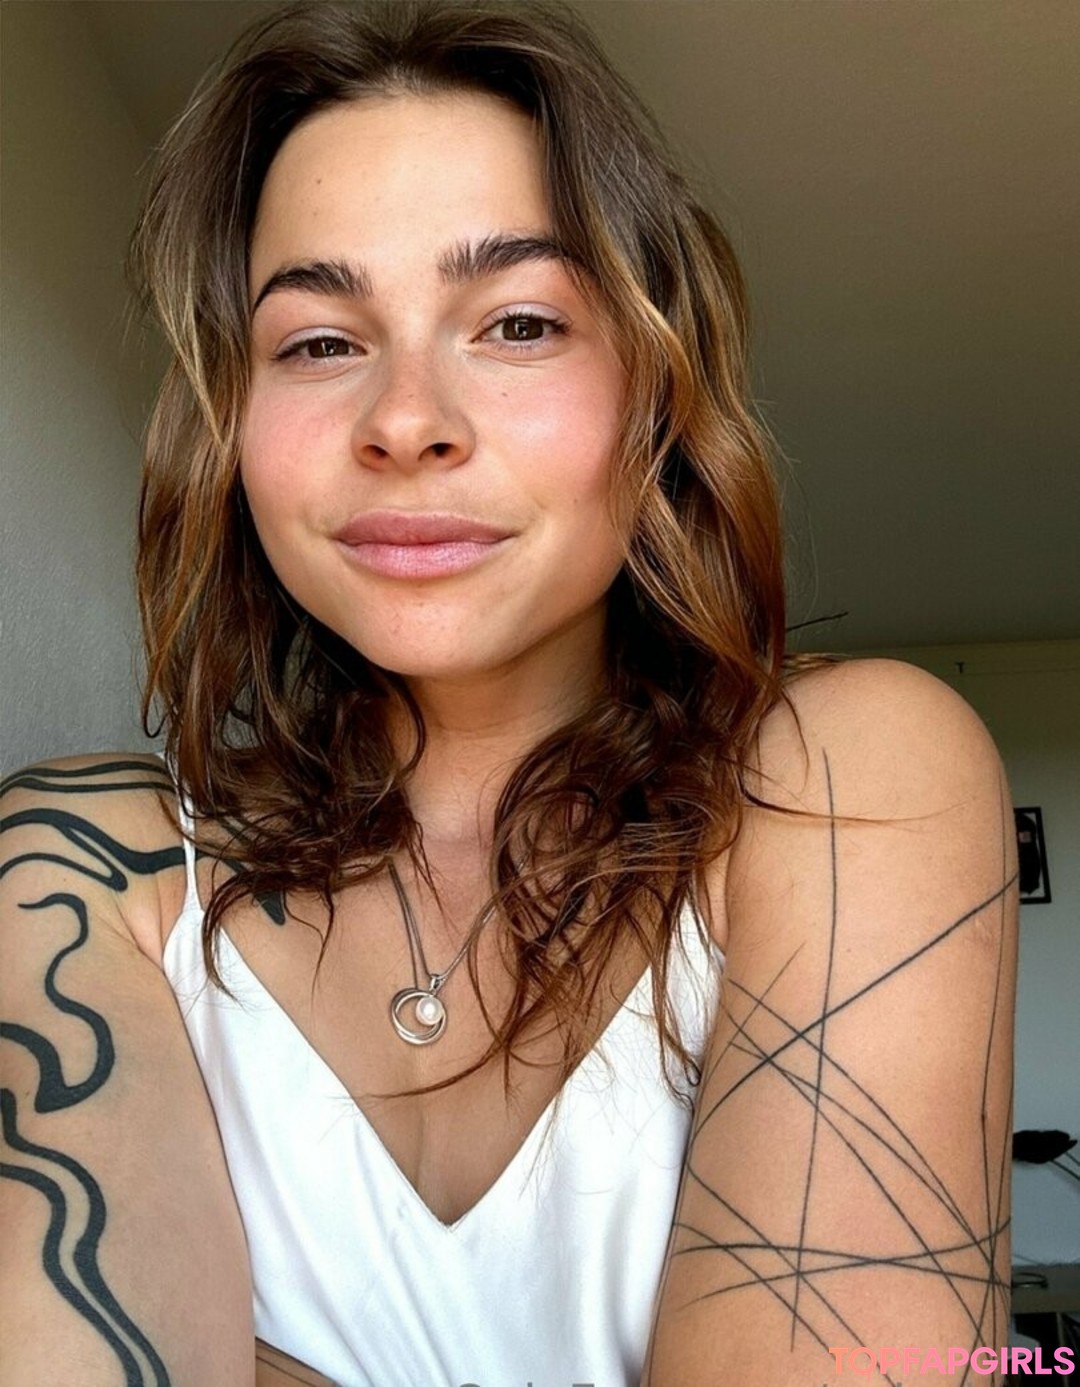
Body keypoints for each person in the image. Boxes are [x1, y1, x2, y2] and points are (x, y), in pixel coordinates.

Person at [0, 3, 1018, 1385]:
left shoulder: (848, 770)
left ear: (653, 391)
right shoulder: (78, 867)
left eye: (520, 323)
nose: (405, 421)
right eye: (317, 341)